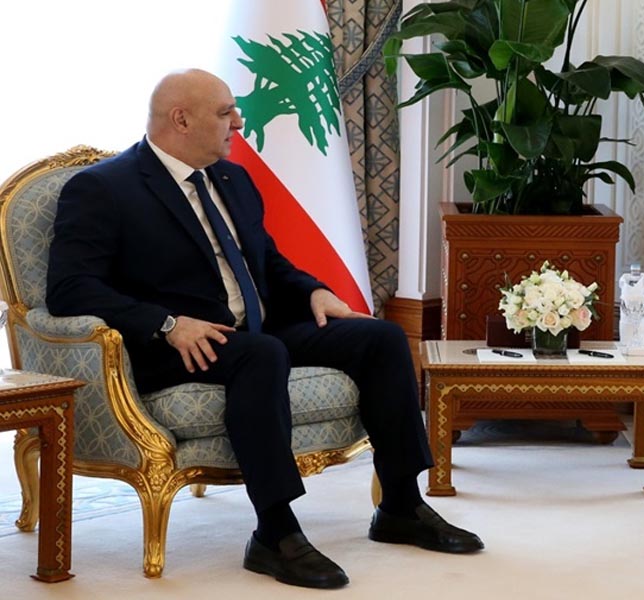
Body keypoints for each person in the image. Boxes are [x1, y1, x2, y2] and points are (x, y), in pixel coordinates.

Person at [46, 68, 483, 590]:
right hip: (172, 345)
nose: (238, 121)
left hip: (253, 331)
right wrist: (166, 323)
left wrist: (313, 291)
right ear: (180, 119)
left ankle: (401, 506)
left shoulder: (232, 179)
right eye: (225, 112)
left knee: (382, 337)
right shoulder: (103, 188)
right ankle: (275, 533)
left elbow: (267, 264)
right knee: (262, 354)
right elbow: (69, 289)